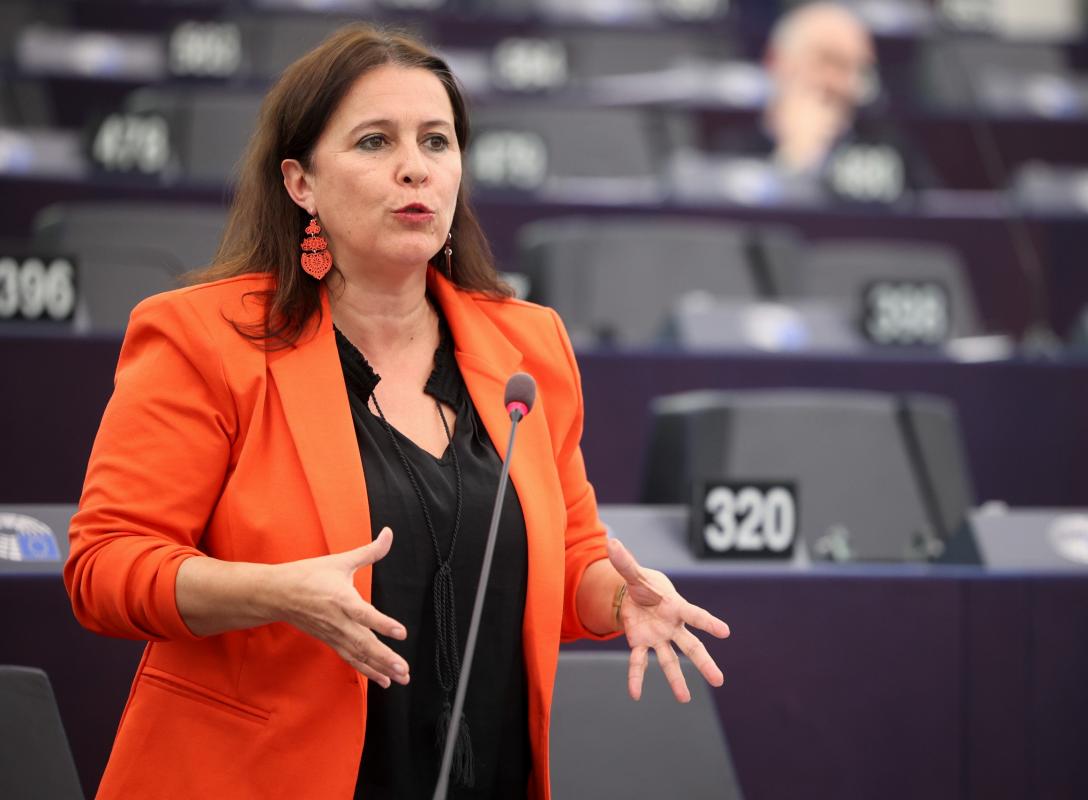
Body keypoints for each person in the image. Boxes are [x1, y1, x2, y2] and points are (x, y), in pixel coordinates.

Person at [63, 24, 729, 800]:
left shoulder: (528, 345)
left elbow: (569, 558)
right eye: (375, 142)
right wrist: (272, 593)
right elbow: (104, 567)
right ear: (300, 181)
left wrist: (618, 597)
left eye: (437, 142)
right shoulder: (202, 338)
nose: (415, 168)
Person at [763, 1, 877, 173]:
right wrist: (794, 155)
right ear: (778, 62)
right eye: (826, 60)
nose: (834, 83)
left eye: (849, 67)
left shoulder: (882, 150)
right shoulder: (729, 139)